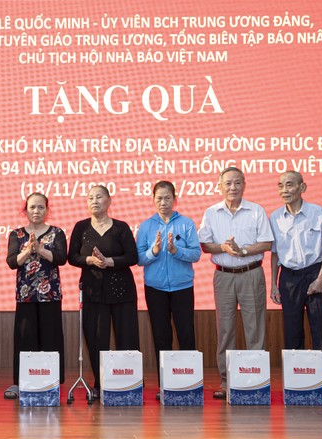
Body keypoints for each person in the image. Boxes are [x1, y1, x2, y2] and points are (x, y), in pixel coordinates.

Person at [198, 166, 273, 400]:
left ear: (244, 185)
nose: (233, 187)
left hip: (251, 273)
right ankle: (226, 380)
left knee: (255, 329)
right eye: (228, 183)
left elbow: (267, 243)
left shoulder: (256, 211)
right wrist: (223, 247)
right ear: (219, 186)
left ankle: (256, 381)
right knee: (225, 329)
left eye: (237, 183)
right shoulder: (211, 213)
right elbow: (204, 245)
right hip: (224, 276)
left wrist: (243, 250)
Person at [269, 171, 322, 403]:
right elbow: (275, 254)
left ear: (302, 187)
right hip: (288, 279)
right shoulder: (275, 217)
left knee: (319, 331)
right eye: (280, 186)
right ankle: (295, 385)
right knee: (292, 332)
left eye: (289, 185)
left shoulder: (318, 213)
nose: (284, 190)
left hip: (314, 274)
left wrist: (320, 279)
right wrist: (273, 284)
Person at [68, 184, 139, 399]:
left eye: (99, 197)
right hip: (93, 291)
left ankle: (128, 382)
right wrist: (88, 259)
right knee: (97, 339)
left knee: (126, 337)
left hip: (121, 290)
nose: (95, 201)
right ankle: (100, 382)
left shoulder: (121, 227)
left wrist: (110, 261)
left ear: (109, 201)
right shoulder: (81, 227)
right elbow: (72, 257)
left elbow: (133, 257)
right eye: (90, 198)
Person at [136, 180, 201, 400]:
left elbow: (196, 254)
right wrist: (154, 251)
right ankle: (166, 384)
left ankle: (189, 384)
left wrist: (176, 250)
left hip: (183, 287)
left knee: (186, 334)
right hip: (155, 288)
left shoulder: (187, 224)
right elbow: (139, 258)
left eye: (167, 198)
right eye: (159, 198)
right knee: (161, 336)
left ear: (175, 199)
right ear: (153, 200)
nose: (163, 202)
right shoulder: (146, 226)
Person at [4, 192, 67, 400]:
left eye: (41, 207)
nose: (36, 211)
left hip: (50, 294)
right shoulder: (17, 234)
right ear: (26, 210)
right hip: (26, 294)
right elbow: (13, 261)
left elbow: (60, 258)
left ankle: (52, 381)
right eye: (32, 207)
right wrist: (28, 251)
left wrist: (40, 249)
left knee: (51, 337)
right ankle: (20, 382)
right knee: (25, 338)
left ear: (47, 210)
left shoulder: (57, 232)